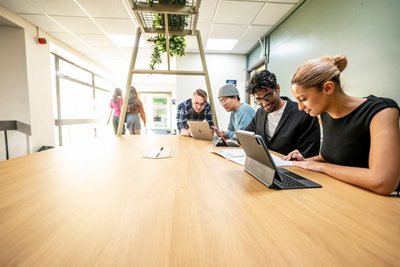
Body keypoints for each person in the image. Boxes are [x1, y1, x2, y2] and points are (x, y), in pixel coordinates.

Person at [283, 55, 400, 195]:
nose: (300, 107)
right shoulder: (323, 114)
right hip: (343, 193)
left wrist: (321, 167)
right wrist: (305, 161)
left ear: (328, 88)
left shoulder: (381, 111)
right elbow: (332, 156)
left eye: (303, 99)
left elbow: (383, 182)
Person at [245, 69, 320, 157]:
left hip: (292, 168)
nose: (264, 103)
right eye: (259, 99)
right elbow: (246, 136)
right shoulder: (260, 113)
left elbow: (309, 155)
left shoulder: (303, 114)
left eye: (268, 96)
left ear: (277, 88)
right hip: (265, 166)